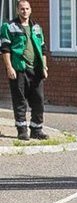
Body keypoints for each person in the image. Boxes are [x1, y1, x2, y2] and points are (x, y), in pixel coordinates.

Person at [1, 0, 47, 140]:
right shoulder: (9, 27)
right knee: (20, 100)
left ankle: (36, 129)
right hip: (19, 68)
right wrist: (9, 68)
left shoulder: (36, 28)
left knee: (38, 100)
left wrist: (44, 67)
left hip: (36, 70)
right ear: (17, 10)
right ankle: (22, 130)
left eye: (27, 9)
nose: (24, 11)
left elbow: (43, 49)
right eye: (22, 9)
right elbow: (5, 49)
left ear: (30, 10)